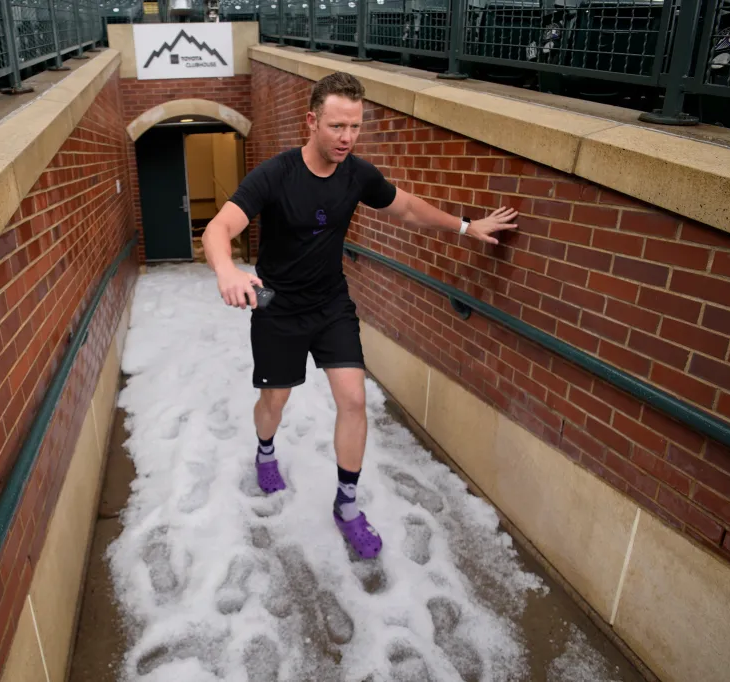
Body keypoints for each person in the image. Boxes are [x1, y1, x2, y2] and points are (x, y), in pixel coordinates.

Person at [200, 71, 518, 559]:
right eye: (336, 126)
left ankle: (346, 506)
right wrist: (227, 271)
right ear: (312, 121)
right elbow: (220, 227)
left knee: (353, 399)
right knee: (274, 401)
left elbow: (407, 209)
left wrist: (466, 227)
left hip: (331, 305)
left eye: (355, 127)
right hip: (276, 307)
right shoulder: (276, 174)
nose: (346, 138)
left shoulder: (357, 175)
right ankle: (266, 449)